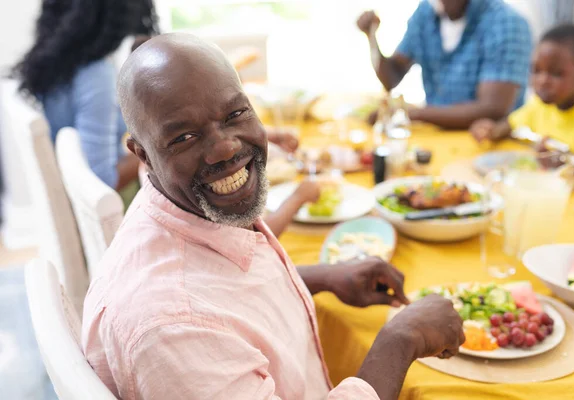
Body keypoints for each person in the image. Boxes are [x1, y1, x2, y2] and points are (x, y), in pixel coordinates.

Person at [81, 33, 464, 400]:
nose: (225, 147)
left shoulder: (176, 209)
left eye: (235, 113)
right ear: (143, 154)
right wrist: (401, 340)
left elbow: (223, 296)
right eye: (184, 138)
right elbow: (198, 315)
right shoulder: (170, 325)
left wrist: (319, 277)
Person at [13, 0, 159, 195]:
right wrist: (158, 150)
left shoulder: (50, 65)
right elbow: (102, 181)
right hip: (109, 210)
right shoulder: (96, 75)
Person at [357, 0, 532, 129]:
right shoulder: (426, 12)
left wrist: (412, 113)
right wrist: (371, 37)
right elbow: (392, 78)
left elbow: (492, 108)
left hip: (488, 147)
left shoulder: (506, 22)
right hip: (436, 138)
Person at [470, 24, 574, 182]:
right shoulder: (539, 106)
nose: (542, 81)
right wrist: (490, 130)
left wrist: (573, 162)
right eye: (536, 70)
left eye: (556, 73)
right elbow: (508, 127)